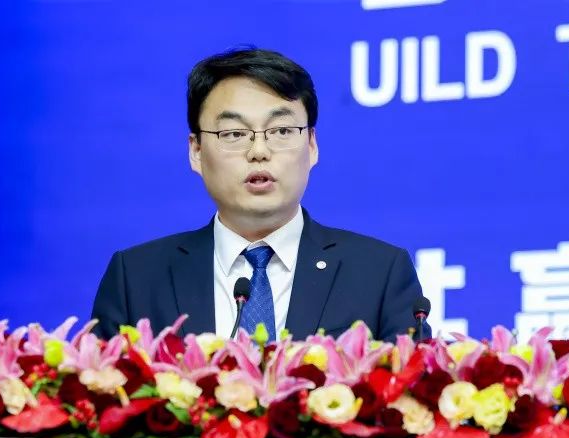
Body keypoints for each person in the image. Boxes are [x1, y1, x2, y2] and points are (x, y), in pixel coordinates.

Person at [91, 47, 429, 342]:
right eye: (234, 133)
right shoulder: (135, 279)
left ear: (311, 145)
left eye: (281, 130)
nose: (259, 151)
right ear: (196, 151)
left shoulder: (379, 273)